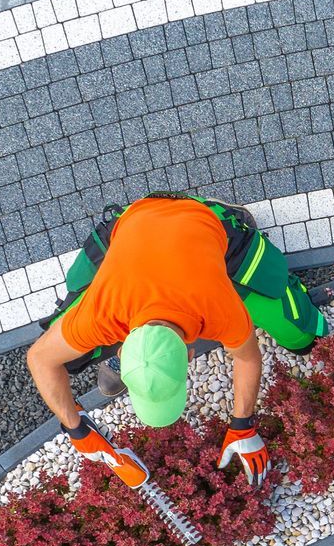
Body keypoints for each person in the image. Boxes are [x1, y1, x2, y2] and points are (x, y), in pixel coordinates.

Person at [26, 196, 269, 489]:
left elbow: (249, 358)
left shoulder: (219, 308)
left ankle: (224, 211)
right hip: (134, 219)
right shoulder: (100, 314)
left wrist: (244, 426)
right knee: (71, 355)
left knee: (296, 333)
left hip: (197, 216)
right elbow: (39, 358)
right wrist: (75, 428)